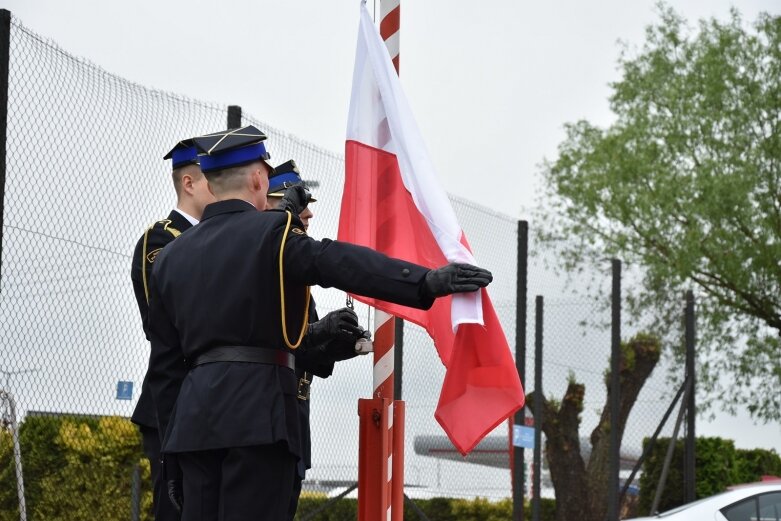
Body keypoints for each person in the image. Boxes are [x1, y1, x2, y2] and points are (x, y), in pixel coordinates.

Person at [146, 125, 493, 521]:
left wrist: (169, 455)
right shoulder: (274, 234)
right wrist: (424, 281)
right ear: (260, 178)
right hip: (260, 416)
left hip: (192, 428)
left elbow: (166, 368)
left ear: (209, 181)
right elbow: (339, 263)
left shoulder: (172, 258)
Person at [265, 159, 366, 520]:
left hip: (293, 416)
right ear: (264, 204)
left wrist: (337, 345)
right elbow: (268, 339)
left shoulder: (296, 274)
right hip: (264, 419)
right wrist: (319, 332)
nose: (307, 214)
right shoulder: (260, 265)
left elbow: (302, 353)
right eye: (292, 203)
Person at [130, 138, 215, 520]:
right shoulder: (162, 239)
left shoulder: (217, 237)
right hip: (173, 398)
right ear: (189, 183)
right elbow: (164, 323)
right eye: (215, 179)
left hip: (212, 399)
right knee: (174, 510)